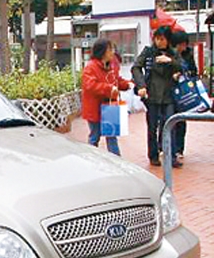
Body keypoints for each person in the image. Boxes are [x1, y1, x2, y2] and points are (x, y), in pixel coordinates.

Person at [132, 26, 182, 168]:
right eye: (157, 39)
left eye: (162, 39)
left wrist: (169, 61)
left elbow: (182, 67)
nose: (159, 42)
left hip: (168, 95)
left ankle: (171, 155)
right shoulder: (148, 52)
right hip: (152, 95)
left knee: (170, 125)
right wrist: (141, 85)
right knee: (152, 127)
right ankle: (153, 155)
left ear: (168, 40)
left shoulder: (173, 53)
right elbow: (136, 67)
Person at [81, 39, 131, 156]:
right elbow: (90, 85)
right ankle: (91, 158)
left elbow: (116, 80)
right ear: (102, 52)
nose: (112, 52)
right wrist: (109, 88)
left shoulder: (110, 66)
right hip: (95, 108)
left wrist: (127, 84)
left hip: (109, 106)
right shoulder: (91, 67)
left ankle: (116, 159)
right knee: (95, 135)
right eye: (110, 49)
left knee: (111, 135)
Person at [171, 30, 198, 159]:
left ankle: (179, 149)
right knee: (169, 119)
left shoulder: (188, 55)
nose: (184, 47)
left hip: (184, 92)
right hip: (171, 91)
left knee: (181, 120)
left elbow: (194, 71)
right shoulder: (169, 54)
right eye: (181, 44)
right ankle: (166, 146)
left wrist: (185, 74)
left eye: (185, 44)